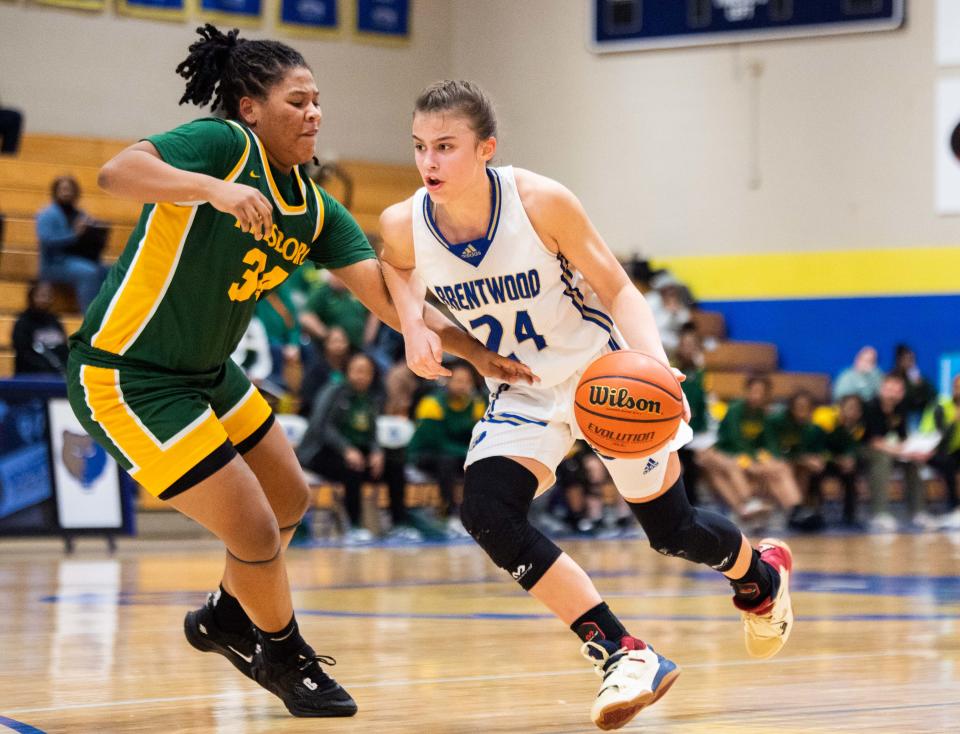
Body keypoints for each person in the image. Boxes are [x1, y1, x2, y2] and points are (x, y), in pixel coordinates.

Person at [64, 32, 531, 720]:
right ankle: (281, 652)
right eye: (298, 101)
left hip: (207, 373)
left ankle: (228, 613)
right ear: (252, 107)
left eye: (319, 102)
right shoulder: (223, 144)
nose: (315, 113)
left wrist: (472, 349)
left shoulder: (314, 210)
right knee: (254, 532)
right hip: (127, 375)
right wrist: (212, 191)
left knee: (289, 501)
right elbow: (116, 173)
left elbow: (384, 294)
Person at [378, 80, 795, 730]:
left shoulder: (540, 202)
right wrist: (419, 328)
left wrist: (657, 364)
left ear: (486, 148)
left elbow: (617, 286)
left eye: (446, 146)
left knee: (673, 532)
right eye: (419, 147)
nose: (429, 162)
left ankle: (760, 577)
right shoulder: (404, 224)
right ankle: (622, 653)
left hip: (604, 378)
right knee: (486, 511)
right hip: (522, 387)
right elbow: (397, 272)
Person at [405, 360, 486, 536]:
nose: (462, 385)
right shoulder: (431, 403)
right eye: (458, 380)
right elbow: (436, 442)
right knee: (446, 461)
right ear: (447, 381)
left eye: (467, 381)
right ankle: (449, 514)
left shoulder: (478, 404)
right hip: (425, 454)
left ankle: (480, 515)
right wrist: (468, 454)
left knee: (484, 464)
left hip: (459, 454)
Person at [862, 373, 932, 532]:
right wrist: (900, 451)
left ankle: (917, 512)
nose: (893, 393)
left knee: (914, 461)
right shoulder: (870, 406)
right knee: (882, 459)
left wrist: (913, 451)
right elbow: (874, 441)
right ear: (882, 389)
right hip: (863, 450)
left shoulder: (900, 409)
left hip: (890, 449)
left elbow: (902, 438)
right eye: (890, 389)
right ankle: (879, 513)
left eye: (898, 390)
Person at [35, 176, 109, 312]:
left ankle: (106, 313)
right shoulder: (47, 214)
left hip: (80, 259)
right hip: (55, 263)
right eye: (63, 189)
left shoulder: (81, 214)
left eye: (70, 189)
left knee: (109, 271)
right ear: (55, 191)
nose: (66, 192)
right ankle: (89, 316)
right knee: (89, 273)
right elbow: (47, 240)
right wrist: (74, 235)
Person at [12, 281, 69, 376]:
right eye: (41, 296)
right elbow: (23, 353)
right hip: (30, 377)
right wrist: (46, 367)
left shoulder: (54, 321)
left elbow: (63, 349)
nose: (45, 299)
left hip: (57, 376)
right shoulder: (23, 322)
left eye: (48, 296)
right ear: (31, 297)